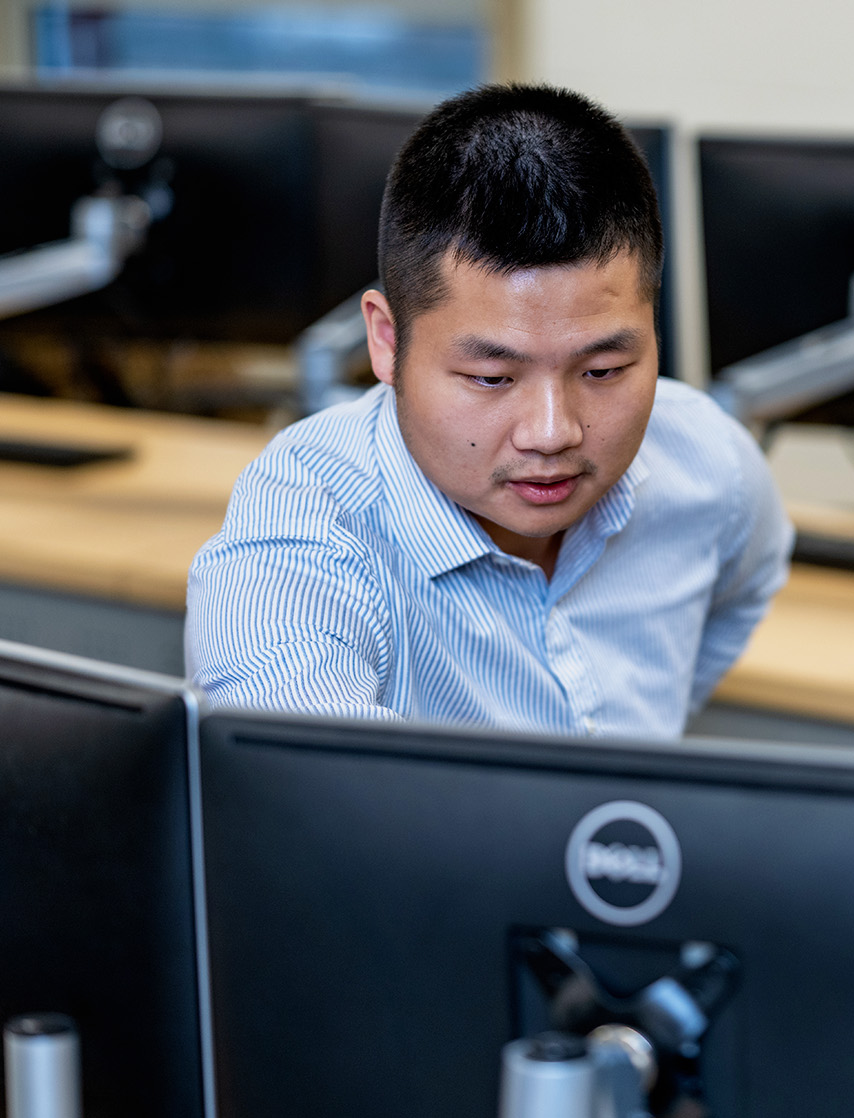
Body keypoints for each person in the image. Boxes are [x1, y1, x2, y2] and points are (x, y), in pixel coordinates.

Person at [186, 84, 792, 735]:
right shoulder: (301, 538)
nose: (553, 433)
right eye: (493, 377)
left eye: (603, 370)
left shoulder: (710, 464)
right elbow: (298, 791)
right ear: (387, 342)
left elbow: (743, 587)